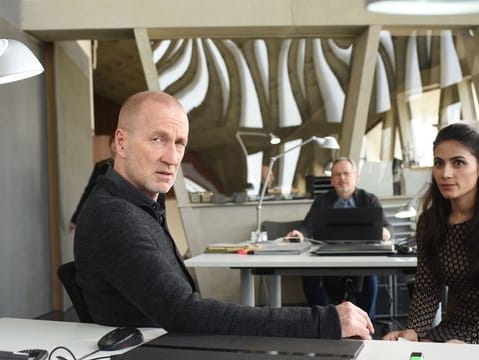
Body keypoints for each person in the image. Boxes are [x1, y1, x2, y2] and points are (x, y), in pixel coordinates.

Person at [74, 91, 374, 339]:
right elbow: (184, 313)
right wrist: (324, 321)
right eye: (158, 139)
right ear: (122, 142)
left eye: (179, 144)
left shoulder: (141, 204)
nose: (172, 158)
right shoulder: (113, 215)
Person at [383, 123, 479, 345]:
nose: (445, 173)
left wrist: (471, 345)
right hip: (456, 327)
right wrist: (413, 331)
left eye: (458, 163)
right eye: (439, 163)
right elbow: (427, 289)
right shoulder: (429, 221)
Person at [287, 157, 392, 320]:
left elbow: (387, 227)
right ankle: (322, 321)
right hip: (328, 257)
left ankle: (366, 323)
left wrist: (385, 232)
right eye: (337, 174)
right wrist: (300, 233)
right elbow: (308, 225)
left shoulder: (369, 199)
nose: (342, 178)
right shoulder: (322, 201)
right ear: (332, 180)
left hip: (361, 258)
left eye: (346, 173)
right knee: (308, 273)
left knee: (370, 273)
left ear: (356, 177)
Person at [69, 135, 115, 231]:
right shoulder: (101, 167)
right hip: (102, 215)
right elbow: (88, 192)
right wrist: (75, 219)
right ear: (110, 146)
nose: (115, 148)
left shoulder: (130, 169)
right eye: (113, 145)